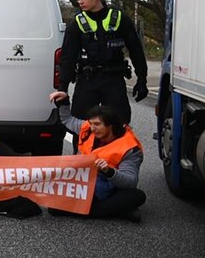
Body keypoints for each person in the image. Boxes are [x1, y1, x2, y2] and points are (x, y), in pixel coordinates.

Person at [59, 0, 148, 125]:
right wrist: (63, 88)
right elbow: (67, 58)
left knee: (119, 124)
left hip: (113, 81)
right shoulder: (77, 23)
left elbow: (136, 50)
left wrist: (142, 80)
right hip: (87, 81)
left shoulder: (119, 19)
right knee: (83, 127)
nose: (80, 2)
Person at [48, 91, 146, 221]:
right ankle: (119, 212)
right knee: (53, 207)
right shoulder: (89, 128)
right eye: (91, 123)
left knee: (136, 195)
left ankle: (85, 209)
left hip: (109, 186)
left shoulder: (130, 148)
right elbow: (68, 120)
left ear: (111, 125)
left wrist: (109, 171)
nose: (93, 128)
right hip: (82, 183)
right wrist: (64, 101)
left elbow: (130, 181)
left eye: (97, 124)